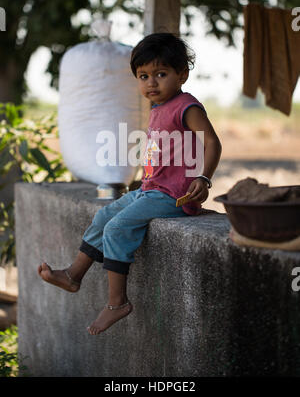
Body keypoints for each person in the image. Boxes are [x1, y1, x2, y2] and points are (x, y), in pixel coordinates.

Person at [38, 33, 222, 335]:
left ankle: (117, 303)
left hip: (174, 196)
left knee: (116, 228)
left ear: (182, 74)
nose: (151, 83)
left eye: (161, 74)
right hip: (150, 190)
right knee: (102, 216)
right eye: (143, 76)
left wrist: (204, 177)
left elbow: (212, 142)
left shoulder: (186, 106)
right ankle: (73, 275)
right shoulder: (157, 108)